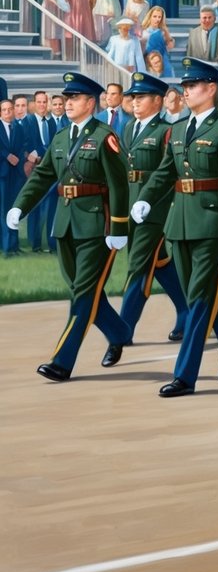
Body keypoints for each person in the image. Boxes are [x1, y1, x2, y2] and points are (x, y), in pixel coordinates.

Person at [131, 58, 218, 397]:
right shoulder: (179, 129)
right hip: (179, 222)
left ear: (211, 88)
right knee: (198, 293)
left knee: (198, 299)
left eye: (193, 85)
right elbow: (166, 171)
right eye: (183, 86)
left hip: (212, 224)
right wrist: (147, 198)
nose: (186, 91)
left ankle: (185, 375)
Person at [6, 72, 132, 379]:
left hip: (95, 226)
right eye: (66, 98)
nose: (67, 102)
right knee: (81, 290)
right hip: (63, 224)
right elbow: (43, 176)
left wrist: (118, 227)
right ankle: (119, 332)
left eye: (74, 98)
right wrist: (20, 206)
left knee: (83, 295)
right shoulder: (62, 137)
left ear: (90, 103)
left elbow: (119, 186)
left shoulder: (106, 137)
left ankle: (62, 361)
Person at [117, 72, 189, 342]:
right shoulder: (128, 128)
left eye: (141, 97)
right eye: (132, 97)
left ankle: (123, 329)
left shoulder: (166, 131)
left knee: (138, 264)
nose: (134, 102)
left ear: (157, 101)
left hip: (156, 208)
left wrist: (167, 205)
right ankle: (186, 309)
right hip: (132, 204)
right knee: (159, 263)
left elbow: (169, 172)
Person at [21, 91, 59, 253]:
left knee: (50, 207)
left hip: (48, 169)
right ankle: (35, 244)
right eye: (39, 102)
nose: (42, 105)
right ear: (34, 104)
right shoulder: (28, 122)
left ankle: (50, 244)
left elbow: (52, 145)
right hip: (34, 169)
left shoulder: (51, 123)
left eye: (45, 102)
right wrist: (32, 156)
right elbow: (24, 144)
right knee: (34, 207)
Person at [0, 99, 23, 256]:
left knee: (14, 210)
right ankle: (7, 247)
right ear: (0, 112)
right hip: (1, 174)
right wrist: (7, 155)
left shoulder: (18, 128)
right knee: (2, 210)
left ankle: (15, 245)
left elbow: (22, 146)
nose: (8, 112)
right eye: (4, 110)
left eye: (10, 109)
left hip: (15, 175)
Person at [140, 6, 175, 75]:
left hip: (162, 60)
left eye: (159, 17)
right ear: (150, 17)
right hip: (147, 60)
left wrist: (167, 34)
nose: (157, 19)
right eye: (155, 16)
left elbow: (170, 47)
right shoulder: (143, 32)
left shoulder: (163, 32)